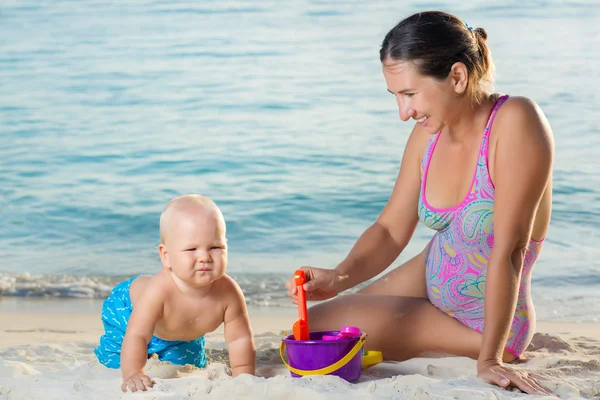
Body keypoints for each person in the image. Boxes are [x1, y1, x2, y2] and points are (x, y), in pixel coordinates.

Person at [286, 11, 555, 397]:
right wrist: (340, 276)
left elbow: (509, 251)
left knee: (321, 337)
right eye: (395, 96)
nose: (403, 112)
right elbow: (390, 229)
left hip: (483, 325)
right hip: (432, 273)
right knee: (313, 326)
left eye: (410, 94)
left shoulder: (515, 121)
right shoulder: (426, 134)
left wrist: (489, 359)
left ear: (457, 77)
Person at [95, 194, 256, 393]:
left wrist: (243, 373)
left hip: (181, 332)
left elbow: (240, 338)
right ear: (166, 255)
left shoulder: (229, 293)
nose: (205, 256)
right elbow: (136, 334)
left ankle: (165, 347)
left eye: (215, 247)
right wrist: (133, 373)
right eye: (191, 248)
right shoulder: (159, 290)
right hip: (127, 311)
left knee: (190, 365)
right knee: (115, 359)